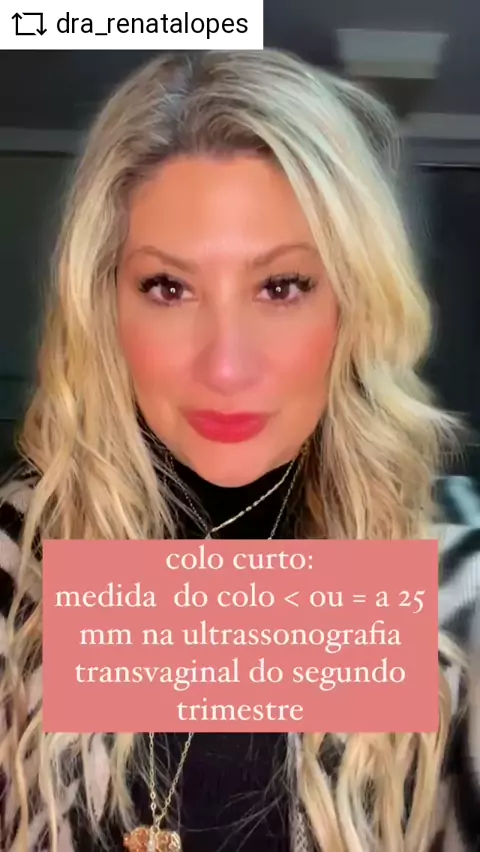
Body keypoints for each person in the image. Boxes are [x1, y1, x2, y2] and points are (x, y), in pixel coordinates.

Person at [0, 48, 479, 852]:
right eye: (168, 287)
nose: (225, 367)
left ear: (355, 304)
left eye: (282, 287)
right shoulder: (23, 559)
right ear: (105, 306)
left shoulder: (450, 579)